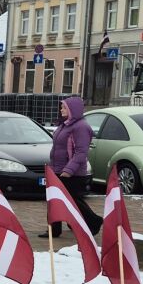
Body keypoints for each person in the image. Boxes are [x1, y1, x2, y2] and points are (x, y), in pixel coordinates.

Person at [42, 96, 104, 239]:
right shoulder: (65, 125)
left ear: (72, 109)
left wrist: (68, 170)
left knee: (73, 201)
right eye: (61, 107)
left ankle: (93, 221)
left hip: (72, 173)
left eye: (64, 107)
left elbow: (81, 152)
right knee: (54, 199)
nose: (61, 110)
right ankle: (54, 229)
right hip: (58, 169)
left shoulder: (81, 127)